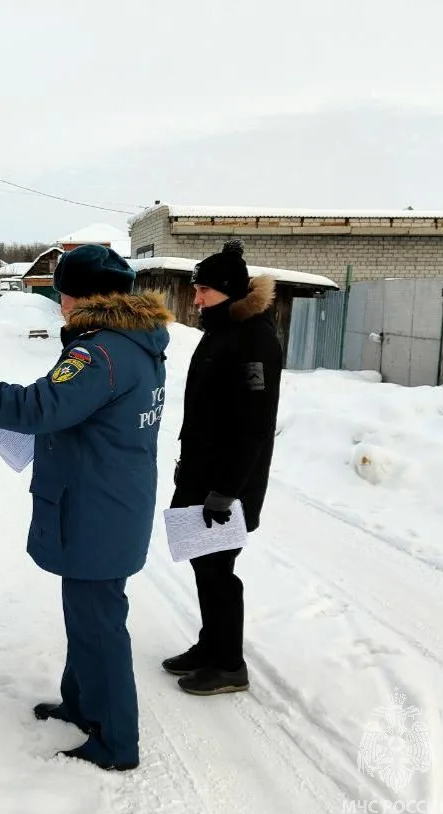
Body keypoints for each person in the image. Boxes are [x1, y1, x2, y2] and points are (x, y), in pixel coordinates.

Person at [0, 244, 172, 772]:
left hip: (97, 508)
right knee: (85, 614)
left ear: (84, 295)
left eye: (62, 293)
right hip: (109, 501)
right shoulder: (133, 343)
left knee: (101, 625)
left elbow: (36, 407)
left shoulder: (100, 353)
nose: (58, 304)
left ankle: (117, 741)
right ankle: (81, 702)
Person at [164, 239, 283, 696]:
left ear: (230, 292)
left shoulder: (254, 340)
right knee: (202, 562)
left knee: (218, 569)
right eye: (196, 289)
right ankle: (210, 646)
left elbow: (254, 426)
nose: (195, 299)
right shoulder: (223, 328)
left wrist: (227, 490)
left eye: (204, 291)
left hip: (227, 485)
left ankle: (229, 663)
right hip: (202, 473)